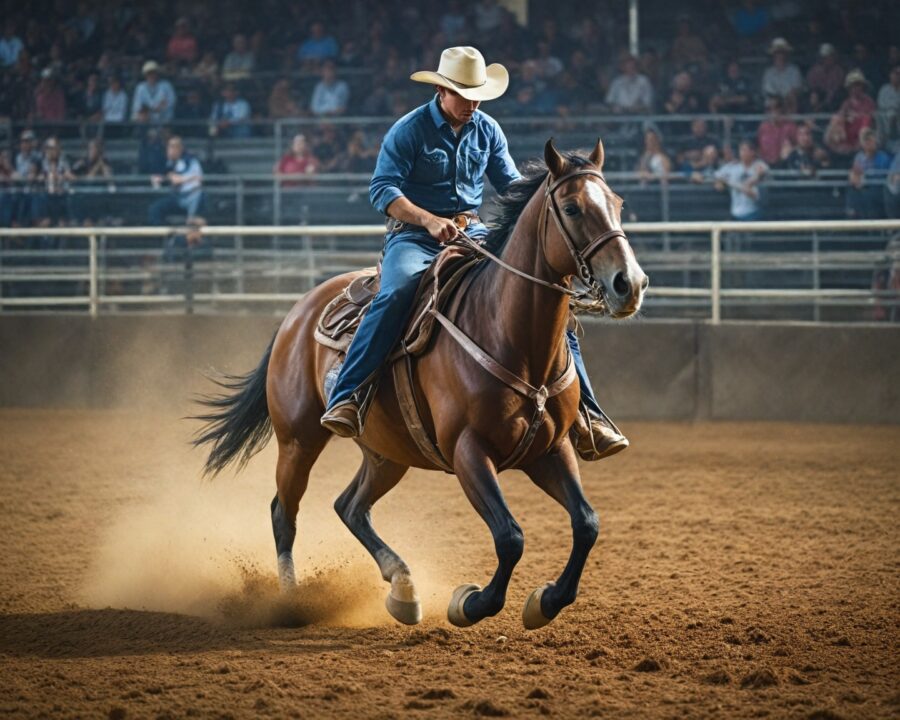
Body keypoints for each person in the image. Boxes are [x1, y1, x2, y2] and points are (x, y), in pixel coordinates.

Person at [320, 46, 628, 460]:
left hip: (473, 233)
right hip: (413, 237)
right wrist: (428, 220)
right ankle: (349, 394)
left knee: (551, 304)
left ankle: (589, 415)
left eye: (478, 96)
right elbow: (382, 190)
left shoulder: (487, 129)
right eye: (464, 95)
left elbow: (512, 189)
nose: (473, 104)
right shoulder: (409, 130)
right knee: (397, 292)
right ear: (441, 92)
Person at [149, 136, 206, 262]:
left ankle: (188, 249)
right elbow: (166, 177)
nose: (170, 150)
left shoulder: (191, 161)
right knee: (155, 209)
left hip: (192, 196)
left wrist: (180, 179)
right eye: (169, 147)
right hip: (177, 198)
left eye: (173, 147)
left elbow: (198, 179)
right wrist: (162, 179)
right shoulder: (169, 163)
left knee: (194, 223)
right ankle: (170, 237)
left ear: (180, 148)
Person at [712, 140, 768, 221]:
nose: (742, 153)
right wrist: (718, 182)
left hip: (754, 213)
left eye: (744, 150)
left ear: (752, 152)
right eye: (740, 150)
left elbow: (749, 184)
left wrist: (729, 182)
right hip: (735, 213)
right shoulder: (733, 166)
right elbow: (716, 175)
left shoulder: (759, 166)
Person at [825, 69, 876, 157]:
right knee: (835, 120)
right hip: (847, 137)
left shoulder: (869, 102)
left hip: (863, 137)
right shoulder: (846, 104)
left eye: (858, 85)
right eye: (853, 85)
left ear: (862, 86)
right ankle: (838, 152)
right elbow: (839, 120)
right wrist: (844, 119)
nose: (855, 88)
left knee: (865, 128)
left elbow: (871, 122)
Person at [847, 128, 891, 219]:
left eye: (871, 141)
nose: (869, 143)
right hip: (860, 186)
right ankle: (851, 214)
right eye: (866, 141)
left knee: (868, 195)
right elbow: (855, 171)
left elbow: (884, 175)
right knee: (852, 190)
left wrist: (866, 178)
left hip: (878, 188)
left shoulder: (883, 157)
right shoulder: (859, 157)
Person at [761, 38, 802, 112]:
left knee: (792, 98)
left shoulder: (794, 70)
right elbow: (768, 92)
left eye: (782, 52)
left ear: (786, 54)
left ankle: (791, 119)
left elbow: (796, 89)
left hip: (789, 104)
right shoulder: (768, 73)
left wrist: (786, 99)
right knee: (771, 102)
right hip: (773, 105)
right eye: (777, 53)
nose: (780, 55)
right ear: (773, 55)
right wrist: (778, 101)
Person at [757, 95, 798, 166]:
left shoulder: (790, 126)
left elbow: (798, 146)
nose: (773, 111)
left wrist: (791, 151)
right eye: (769, 108)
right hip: (765, 165)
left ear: (781, 109)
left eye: (776, 107)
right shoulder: (763, 127)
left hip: (784, 165)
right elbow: (758, 147)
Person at [806, 44, 844, 111]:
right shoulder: (814, 71)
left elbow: (836, 90)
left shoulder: (838, 71)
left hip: (832, 102)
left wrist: (824, 104)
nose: (827, 59)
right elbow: (811, 87)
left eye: (829, 56)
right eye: (824, 57)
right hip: (817, 99)